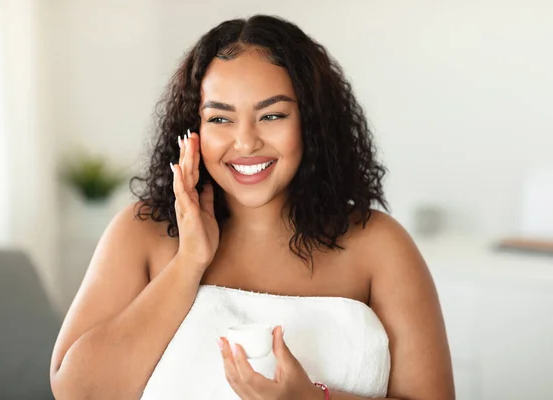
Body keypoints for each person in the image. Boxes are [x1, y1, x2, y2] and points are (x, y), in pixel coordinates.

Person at [50, 15, 454, 400]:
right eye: (220, 119)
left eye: (272, 115)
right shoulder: (142, 233)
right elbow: (78, 392)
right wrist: (189, 262)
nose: (245, 143)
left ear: (311, 123)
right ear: (193, 131)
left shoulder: (379, 245)